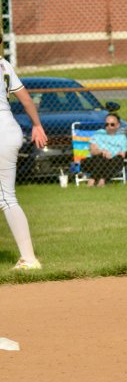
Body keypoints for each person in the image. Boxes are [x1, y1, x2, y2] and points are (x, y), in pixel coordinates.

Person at [0, 57, 47, 270]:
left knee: (6, 198)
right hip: (9, 129)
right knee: (6, 197)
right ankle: (28, 258)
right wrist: (37, 125)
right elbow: (26, 99)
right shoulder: (3, 63)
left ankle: (29, 259)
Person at [83, 113, 127, 187]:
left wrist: (111, 156)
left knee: (119, 159)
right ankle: (93, 179)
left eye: (112, 124)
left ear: (118, 125)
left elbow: (122, 154)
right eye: (107, 124)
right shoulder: (98, 133)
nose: (109, 127)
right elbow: (92, 150)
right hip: (94, 160)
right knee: (101, 157)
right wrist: (102, 152)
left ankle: (102, 180)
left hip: (112, 161)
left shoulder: (122, 137)